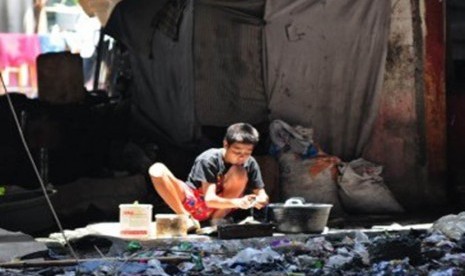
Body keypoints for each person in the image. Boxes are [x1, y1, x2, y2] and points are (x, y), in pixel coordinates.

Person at [148, 122, 269, 230]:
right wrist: (238, 202)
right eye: (237, 152)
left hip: (222, 208)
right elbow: (210, 200)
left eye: (247, 153)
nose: (242, 157)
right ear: (226, 144)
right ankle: (185, 218)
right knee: (157, 169)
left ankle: (216, 221)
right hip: (195, 202)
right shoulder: (209, 159)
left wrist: (260, 200)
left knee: (239, 172)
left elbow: (262, 194)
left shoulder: (249, 163)